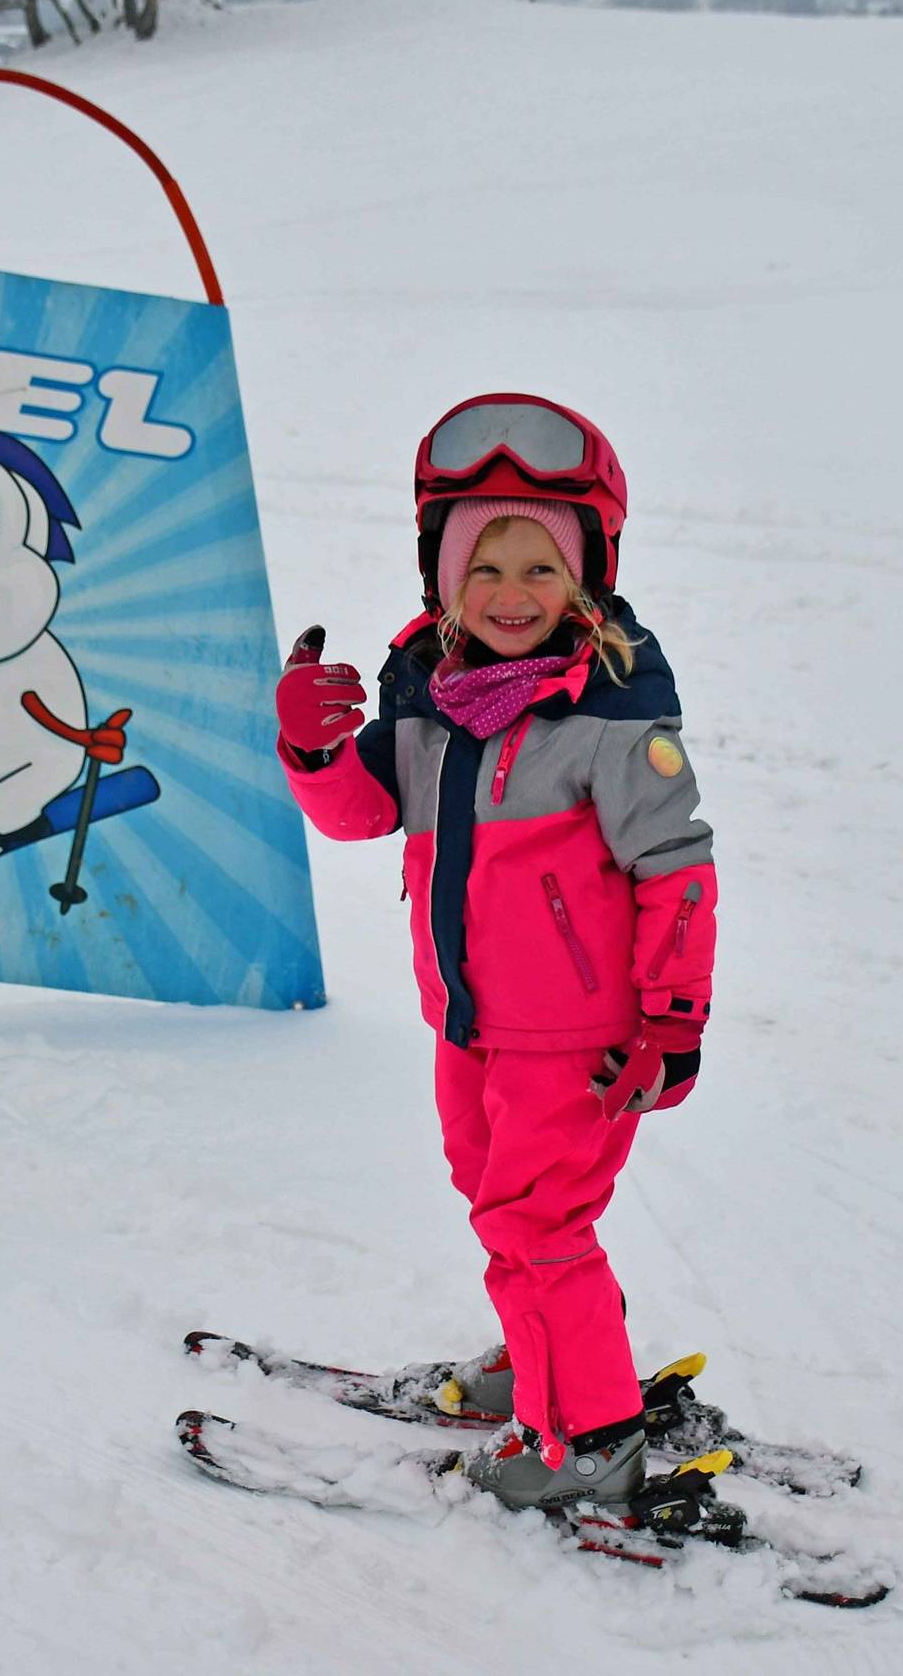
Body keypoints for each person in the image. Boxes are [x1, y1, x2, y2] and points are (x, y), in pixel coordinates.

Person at [272, 393, 717, 1510]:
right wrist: (311, 746)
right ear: (442, 581)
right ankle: (543, 1362)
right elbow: (359, 812)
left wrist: (672, 1020)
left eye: (538, 571)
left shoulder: (610, 719)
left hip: (578, 1038)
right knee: (497, 1199)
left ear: (586, 579)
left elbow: (676, 867)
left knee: (539, 1222)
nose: (511, 597)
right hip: (469, 1022)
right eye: (485, 569)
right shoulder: (428, 704)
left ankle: (593, 1438)